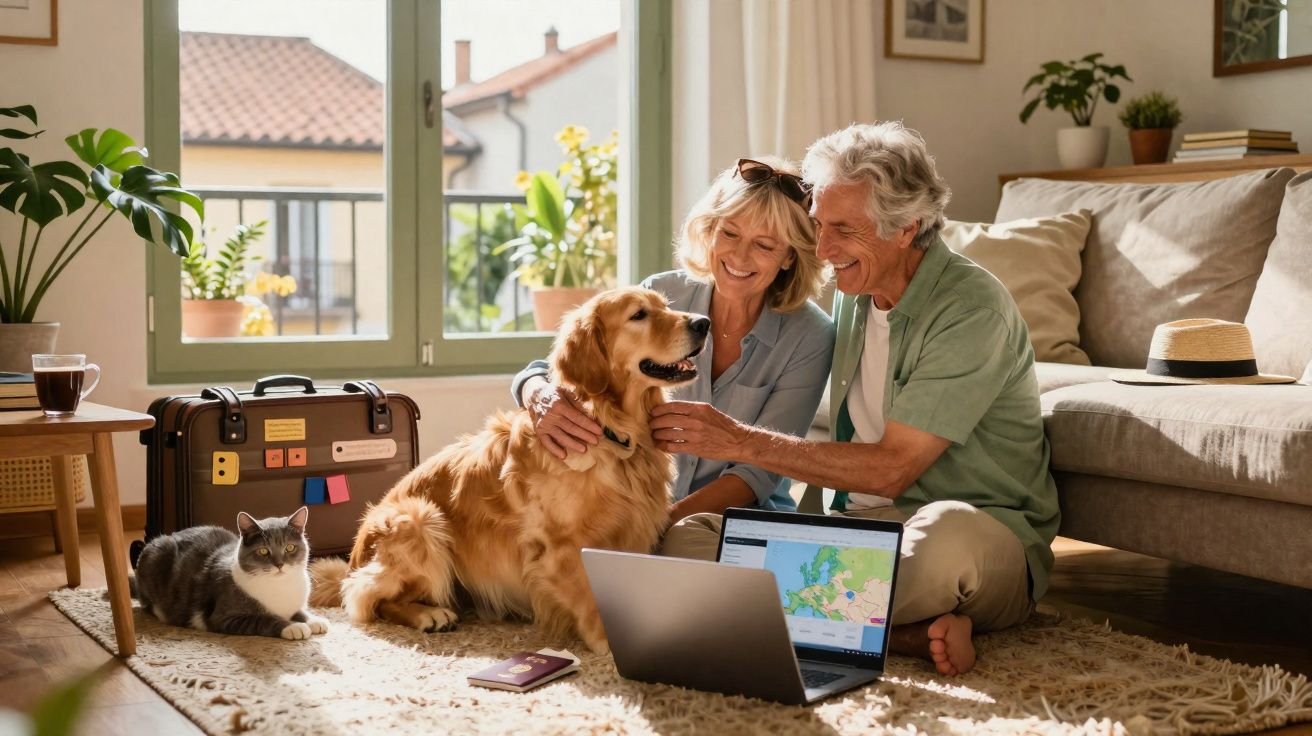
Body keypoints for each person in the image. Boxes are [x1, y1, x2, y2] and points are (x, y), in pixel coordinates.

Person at [652, 122, 1060, 677]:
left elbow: (894, 469)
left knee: (945, 538)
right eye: (819, 226)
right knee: (685, 541)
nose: (821, 250)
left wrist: (738, 440)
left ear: (904, 228)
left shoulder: (971, 311)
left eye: (842, 230)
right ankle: (905, 635)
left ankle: (764, 610)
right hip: (857, 536)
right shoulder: (856, 292)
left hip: (974, 533)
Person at [511, 156, 835, 522]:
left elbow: (757, 473)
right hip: (635, 512)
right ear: (709, 230)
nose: (739, 256)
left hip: (734, 520)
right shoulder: (660, 295)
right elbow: (578, 365)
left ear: (790, 257)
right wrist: (534, 391)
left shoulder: (811, 337)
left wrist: (657, 529)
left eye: (763, 245)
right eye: (729, 233)